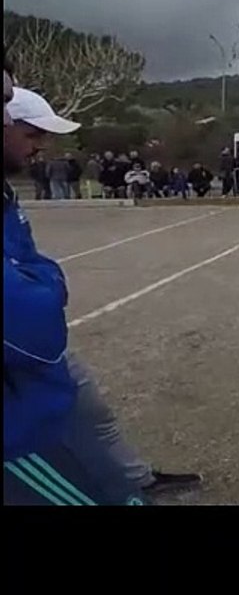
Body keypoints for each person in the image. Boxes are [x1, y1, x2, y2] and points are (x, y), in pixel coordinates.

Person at [4, 68, 201, 499]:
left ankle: (136, 479)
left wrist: (44, 282)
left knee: (93, 412)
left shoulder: (6, 193)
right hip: (21, 382)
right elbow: (30, 314)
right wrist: (44, 287)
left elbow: (35, 263)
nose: (41, 145)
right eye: (31, 132)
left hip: (38, 364)